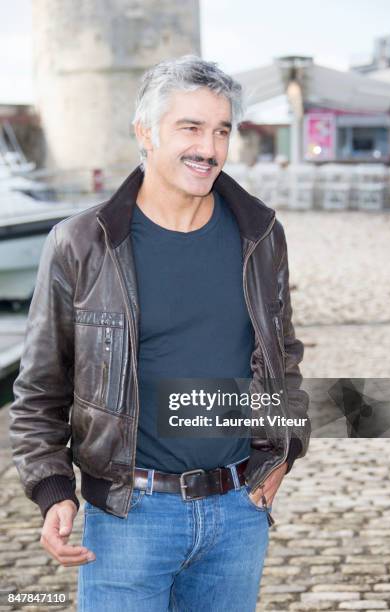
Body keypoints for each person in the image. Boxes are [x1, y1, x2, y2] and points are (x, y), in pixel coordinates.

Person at [9, 55, 310, 612]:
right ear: (145, 132)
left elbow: (282, 357)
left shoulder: (261, 233)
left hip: (238, 513)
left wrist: (284, 452)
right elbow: (39, 389)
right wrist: (52, 487)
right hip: (130, 515)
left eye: (221, 130)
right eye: (190, 127)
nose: (209, 147)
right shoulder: (81, 243)